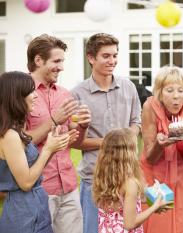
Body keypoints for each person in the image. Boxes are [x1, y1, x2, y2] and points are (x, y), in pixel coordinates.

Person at [71, 33, 141, 233]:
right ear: (91, 58)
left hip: (127, 175)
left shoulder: (128, 86)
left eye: (115, 55)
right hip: (95, 178)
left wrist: (129, 136)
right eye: (106, 56)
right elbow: (74, 142)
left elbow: (136, 121)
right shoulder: (77, 94)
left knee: (128, 228)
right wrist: (110, 143)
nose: (112, 61)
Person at [25, 34, 91, 233]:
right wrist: (53, 120)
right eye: (56, 61)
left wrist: (84, 125)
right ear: (38, 60)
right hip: (40, 189)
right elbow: (18, 142)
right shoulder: (19, 93)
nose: (61, 67)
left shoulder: (64, 93)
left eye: (62, 61)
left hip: (69, 187)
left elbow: (76, 142)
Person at [0, 71, 70, 233]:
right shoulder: (9, 136)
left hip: (36, 207)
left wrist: (54, 147)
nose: (35, 96)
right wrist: (47, 149)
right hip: (22, 214)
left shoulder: (17, 130)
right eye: (31, 91)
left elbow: (31, 169)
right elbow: (25, 183)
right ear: (17, 97)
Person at [141, 66, 183, 233]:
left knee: (182, 223)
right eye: (169, 90)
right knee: (158, 222)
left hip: (182, 176)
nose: (176, 96)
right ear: (160, 92)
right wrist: (161, 145)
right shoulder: (150, 107)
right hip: (154, 175)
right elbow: (150, 158)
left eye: (181, 90)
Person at [92, 128, 169, 233]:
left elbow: (126, 203)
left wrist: (151, 195)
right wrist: (154, 207)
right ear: (128, 154)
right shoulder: (130, 183)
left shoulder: (104, 178)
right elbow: (129, 224)